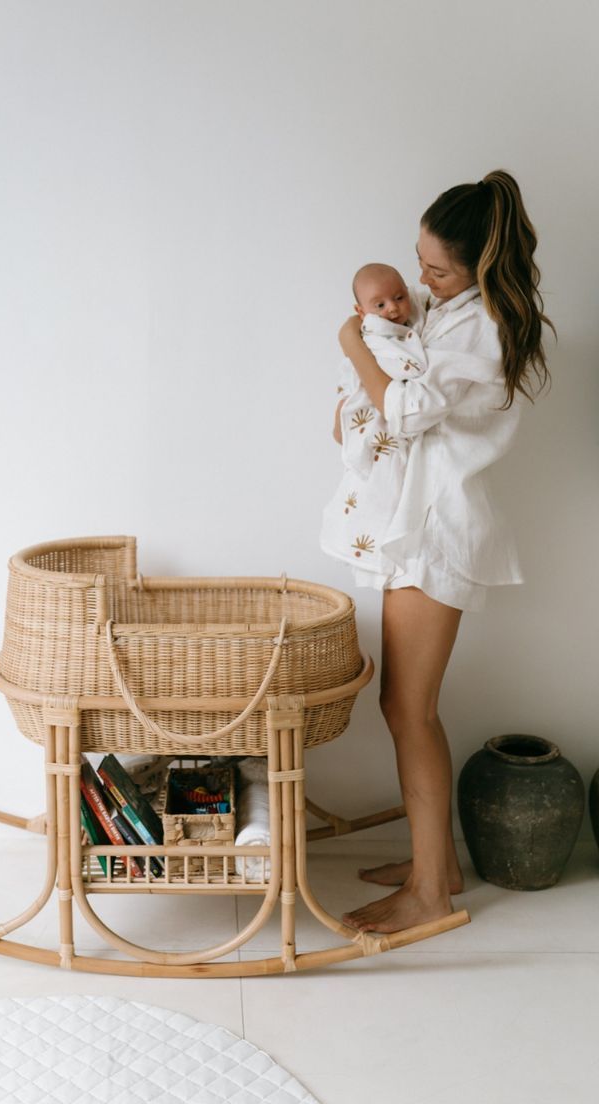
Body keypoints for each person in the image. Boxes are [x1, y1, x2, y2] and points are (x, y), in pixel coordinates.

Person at [329, 170, 553, 935]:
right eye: (418, 261)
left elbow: (408, 409)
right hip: (420, 527)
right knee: (406, 706)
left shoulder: (482, 324)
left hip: (440, 531)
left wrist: (352, 341)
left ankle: (429, 892)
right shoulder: (448, 309)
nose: (420, 280)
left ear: (480, 268)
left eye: (437, 269)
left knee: (408, 708)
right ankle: (440, 864)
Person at [321, 263, 428, 570]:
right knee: (373, 480)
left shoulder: (417, 326)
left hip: (396, 418)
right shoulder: (371, 333)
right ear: (361, 310)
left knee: (393, 483)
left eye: (399, 297)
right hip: (374, 410)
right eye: (379, 305)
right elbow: (368, 371)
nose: (393, 309)